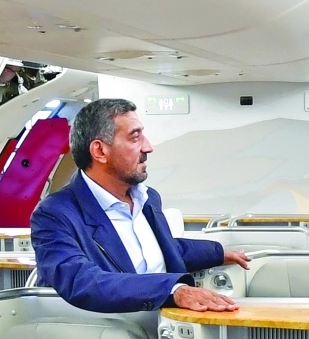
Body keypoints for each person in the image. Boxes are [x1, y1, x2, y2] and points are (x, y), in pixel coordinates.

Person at [31, 98, 249, 314]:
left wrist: (218, 253)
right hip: (113, 327)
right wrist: (174, 291)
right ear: (100, 151)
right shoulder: (55, 214)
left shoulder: (148, 198)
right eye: (135, 137)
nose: (148, 147)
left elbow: (163, 248)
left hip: (165, 323)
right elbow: (82, 280)